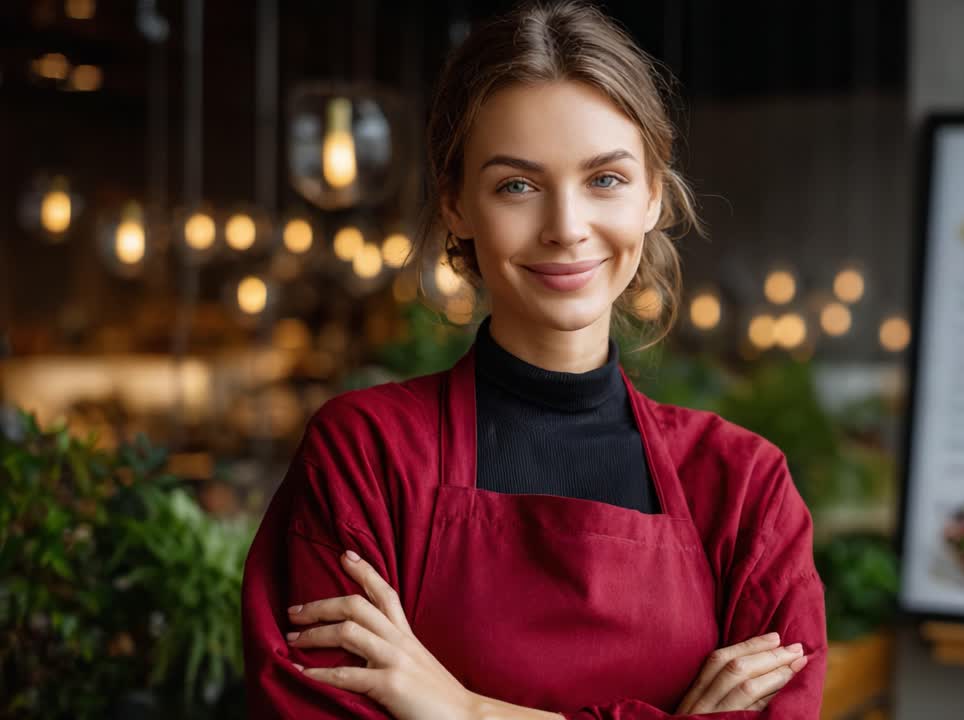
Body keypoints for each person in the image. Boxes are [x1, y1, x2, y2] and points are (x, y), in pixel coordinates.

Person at [240, 2, 827, 718]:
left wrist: (466, 711)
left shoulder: (743, 491)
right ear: (456, 204)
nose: (566, 228)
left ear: (651, 194)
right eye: (517, 185)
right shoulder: (366, 457)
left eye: (605, 179)